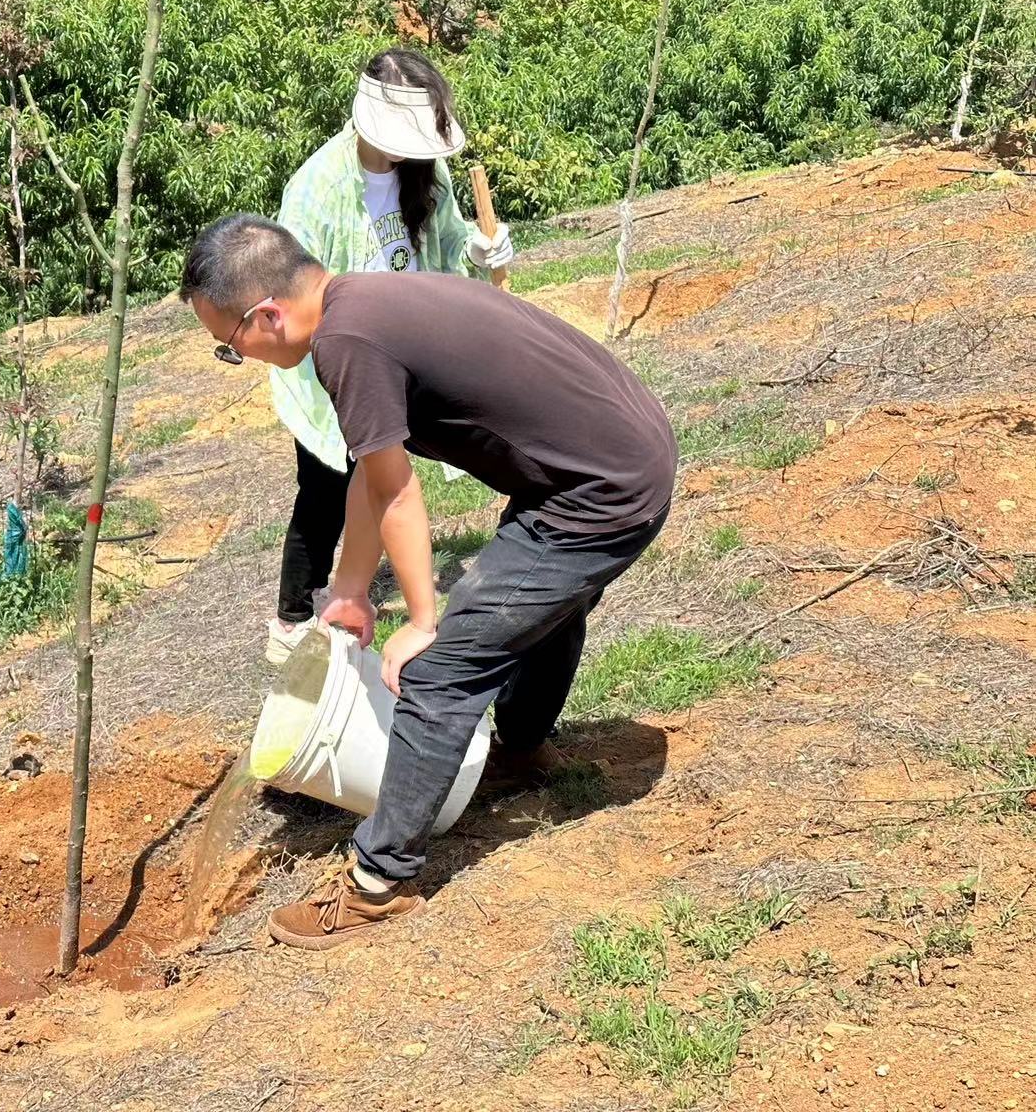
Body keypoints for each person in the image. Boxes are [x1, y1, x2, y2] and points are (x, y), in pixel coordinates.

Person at [181, 215, 677, 950]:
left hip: (597, 491)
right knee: (535, 603)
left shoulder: (347, 344)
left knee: (443, 672)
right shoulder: (365, 303)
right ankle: (521, 754)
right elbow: (369, 476)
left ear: (267, 315)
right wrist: (348, 591)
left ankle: (378, 884)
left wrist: (420, 618)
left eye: (229, 346)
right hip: (608, 458)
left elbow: (402, 494)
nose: (239, 357)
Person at [265, 49, 515, 667]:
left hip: (403, 348)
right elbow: (294, 295)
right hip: (340, 355)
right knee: (326, 485)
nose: (408, 151)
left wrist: (487, 253)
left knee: (384, 477)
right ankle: (293, 615)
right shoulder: (316, 188)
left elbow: (450, 243)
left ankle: (351, 594)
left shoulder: (427, 173)